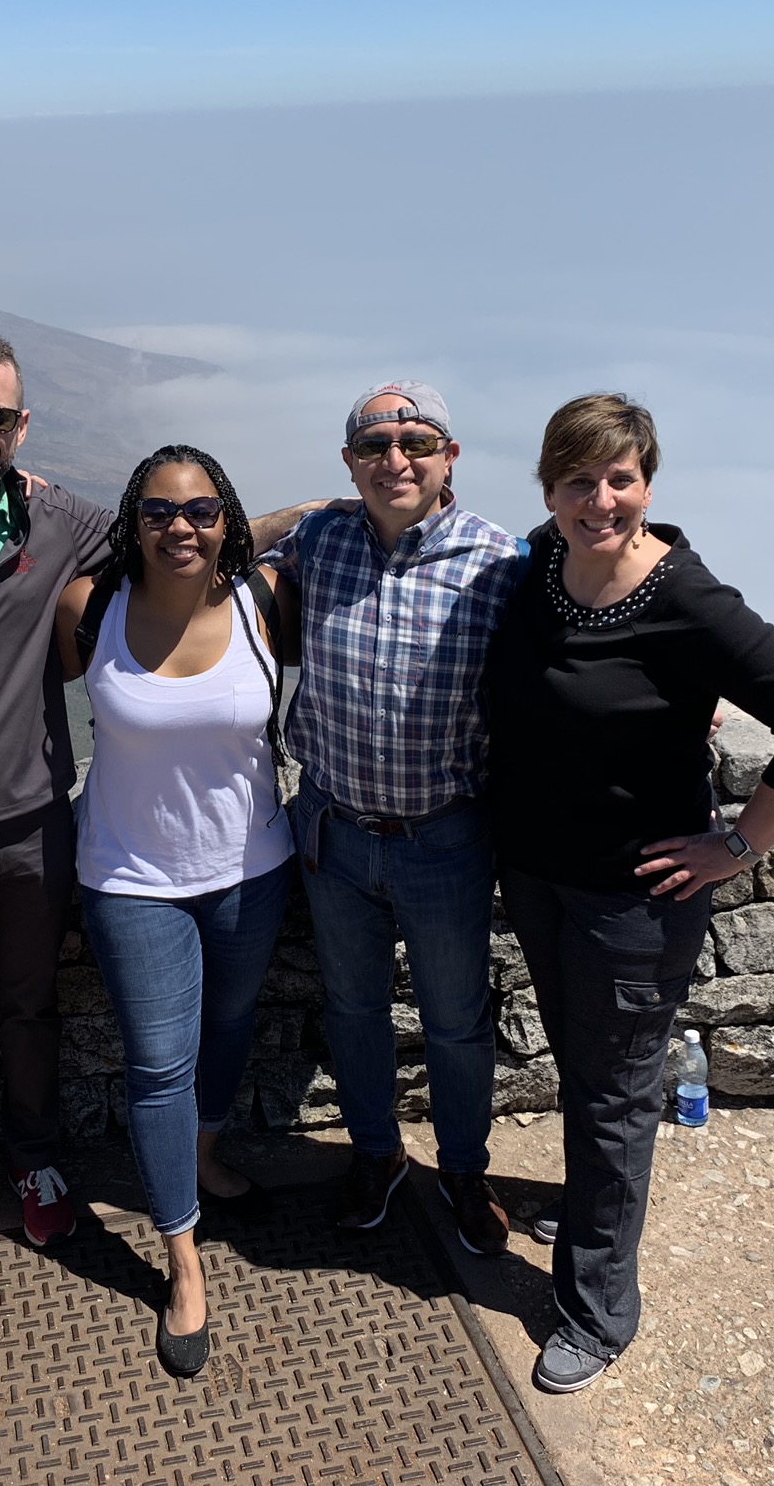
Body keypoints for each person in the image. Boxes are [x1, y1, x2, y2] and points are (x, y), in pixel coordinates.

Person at [0, 334, 322, 1281]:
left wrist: (315, 513)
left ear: (20, 427)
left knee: (34, 1007)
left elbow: (174, 541)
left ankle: (36, 1164)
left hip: (37, 816)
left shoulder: (58, 523)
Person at [484, 393, 774, 1394]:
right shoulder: (539, 569)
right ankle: (597, 1212)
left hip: (633, 901)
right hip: (542, 875)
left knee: (612, 1093)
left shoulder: (684, 600)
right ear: (547, 487)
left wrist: (736, 842)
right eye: (576, 480)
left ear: (647, 481)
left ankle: (598, 1311)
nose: (598, 499)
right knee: (589, 1073)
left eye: (619, 478)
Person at [259, 381, 526, 1257]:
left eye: (416, 442)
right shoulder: (322, 540)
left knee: (454, 1019)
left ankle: (462, 1168)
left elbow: (580, 641)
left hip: (443, 838)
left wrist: (685, 693)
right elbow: (218, 545)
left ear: (451, 457)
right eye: (374, 447)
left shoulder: (498, 563)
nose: (395, 460)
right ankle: (375, 1154)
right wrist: (309, 505)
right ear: (349, 464)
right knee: (354, 1008)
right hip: (333, 830)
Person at [53, 445, 294, 1378]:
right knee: (159, 1061)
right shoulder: (93, 610)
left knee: (229, 1025)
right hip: (129, 875)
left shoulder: (266, 605)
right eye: (158, 511)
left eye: (199, 510)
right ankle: (182, 1254)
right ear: (133, 522)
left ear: (227, 519)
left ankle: (203, 1154)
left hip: (252, 867)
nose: (179, 527)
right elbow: (15, 684)